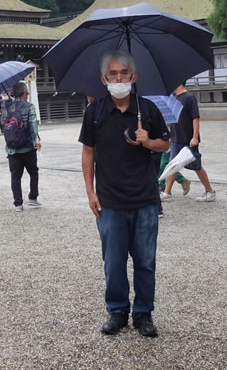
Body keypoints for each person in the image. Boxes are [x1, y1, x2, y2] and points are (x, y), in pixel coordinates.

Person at [80, 50, 169, 338]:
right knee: (114, 261)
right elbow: (88, 153)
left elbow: (165, 145)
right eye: (113, 74)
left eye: (124, 73)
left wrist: (148, 141)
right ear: (104, 79)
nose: (119, 78)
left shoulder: (148, 110)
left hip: (144, 197)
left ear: (134, 76)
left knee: (145, 259)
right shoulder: (94, 113)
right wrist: (89, 191)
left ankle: (143, 312)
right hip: (109, 200)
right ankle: (117, 309)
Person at [161, 84, 216, 203]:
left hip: (188, 138)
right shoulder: (174, 98)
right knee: (172, 165)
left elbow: (195, 118)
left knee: (197, 166)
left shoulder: (189, 97)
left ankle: (210, 192)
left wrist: (195, 137)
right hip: (176, 138)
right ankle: (167, 192)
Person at [1, 81, 41, 211]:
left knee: (15, 176)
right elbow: (32, 124)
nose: (28, 95)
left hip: (12, 148)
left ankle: (18, 203)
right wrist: (36, 139)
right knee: (33, 172)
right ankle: (33, 198)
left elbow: (3, 124)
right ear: (24, 93)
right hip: (27, 147)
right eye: (27, 93)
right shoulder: (29, 107)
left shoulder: (6, 107)